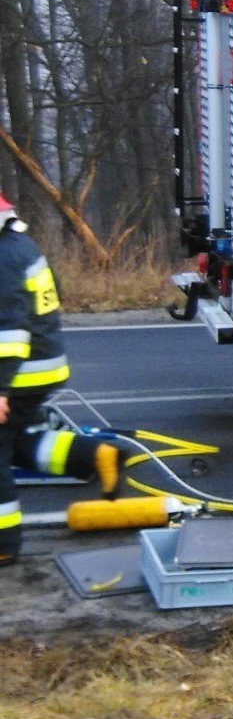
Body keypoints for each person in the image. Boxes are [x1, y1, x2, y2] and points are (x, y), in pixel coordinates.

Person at [0, 192, 80, 566]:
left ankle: (4, 543)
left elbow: (10, 331)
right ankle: (92, 457)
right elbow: (54, 294)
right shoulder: (21, 245)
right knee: (14, 443)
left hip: (23, 374)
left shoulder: (3, 257)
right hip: (42, 366)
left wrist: (0, 388)